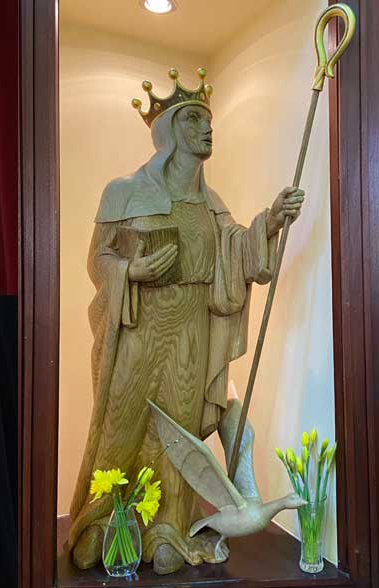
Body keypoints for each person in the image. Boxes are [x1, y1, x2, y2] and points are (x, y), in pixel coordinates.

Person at [66, 68, 304, 574]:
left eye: (209, 120)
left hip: (193, 327)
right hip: (140, 325)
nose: (207, 129)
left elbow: (237, 249)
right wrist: (130, 268)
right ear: (170, 131)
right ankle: (104, 521)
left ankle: (166, 527)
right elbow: (97, 260)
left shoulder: (209, 202)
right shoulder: (123, 191)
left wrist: (271, 220)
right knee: (122, 422)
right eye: (195, 119)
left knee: (177, 435)